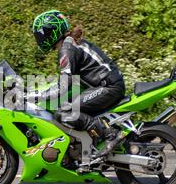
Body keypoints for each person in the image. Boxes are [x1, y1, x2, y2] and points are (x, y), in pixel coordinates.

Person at [30, 10, 126, 158]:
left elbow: (63, 86)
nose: (40, 39)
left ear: (51, 32)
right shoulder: (70, 44)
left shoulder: (67, 49)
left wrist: (34, 96)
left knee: (65, 111)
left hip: (108, 87)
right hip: (108, 85)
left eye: (41, 34)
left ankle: (111, 134)